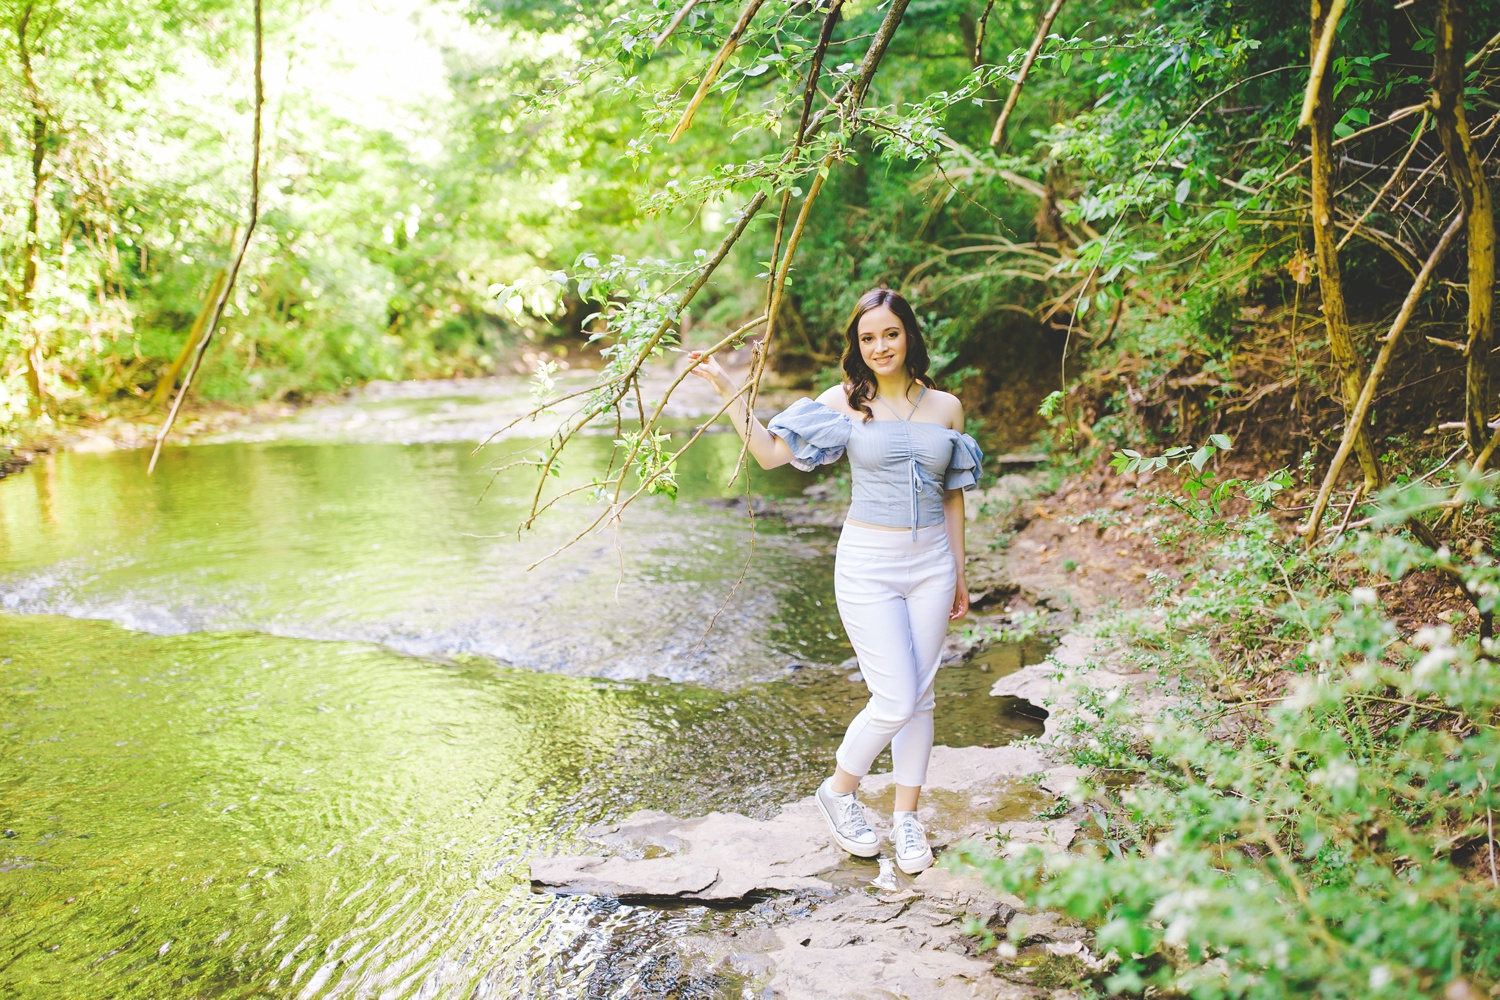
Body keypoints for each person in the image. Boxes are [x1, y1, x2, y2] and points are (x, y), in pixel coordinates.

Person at [688, 287, 981, 875]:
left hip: (932, 564)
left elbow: (953, 497)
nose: (880, 347)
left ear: (909, 336)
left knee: (920, 696)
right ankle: (840, 790)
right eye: (867, 337)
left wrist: (959, 572)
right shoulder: (844, 403)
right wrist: (728, 390)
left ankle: (905, 818)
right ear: (857, 345)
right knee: (894, 696)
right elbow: (771, 455)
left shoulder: (946, 407)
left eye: (890, 334)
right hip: (868, 562)